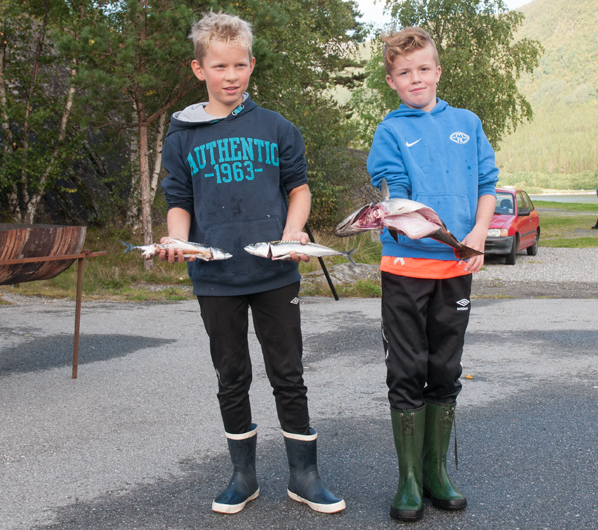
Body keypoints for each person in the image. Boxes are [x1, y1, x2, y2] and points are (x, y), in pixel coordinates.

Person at [158, 11, 344, 516]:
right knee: (231, 374)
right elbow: (179, 200)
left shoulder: (278, 127)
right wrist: (177, 240)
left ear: (252, 65)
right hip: (215, 277)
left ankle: (305, 475)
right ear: (200, 69)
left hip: (274, 272)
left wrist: (293, 231)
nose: (231, 75)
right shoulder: (181, 136)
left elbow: (298, 189)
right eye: (220, 66)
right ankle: (243, 476)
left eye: (240, 65)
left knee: (289, 373)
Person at [366, 27, 498, 522]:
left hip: (457, 265)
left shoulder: (467, 122)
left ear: (438, 71)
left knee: (444, 367)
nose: (415, 78)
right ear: (391, 81)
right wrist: (402, 215)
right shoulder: (390, 131)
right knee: (407, 369)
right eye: (404, 72)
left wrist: (480, 235)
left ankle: (437, 473)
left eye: (424, 68)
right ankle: (408, 482)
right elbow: (394, 191)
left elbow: (487, 183)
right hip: (404, 267)